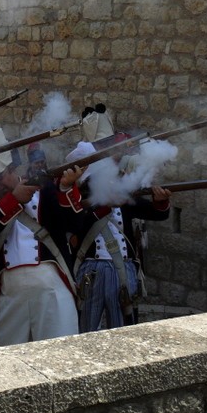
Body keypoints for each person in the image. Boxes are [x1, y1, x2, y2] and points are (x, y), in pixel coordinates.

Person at [0, 128, 81, 347]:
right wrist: (14, 199)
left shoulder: (47, 190)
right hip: (10, 292)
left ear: (13, 170)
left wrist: (66, 187)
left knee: (59, 356)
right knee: (6, 363)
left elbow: (74, 223)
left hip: (51, 287)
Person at [66, 139, 171, 332]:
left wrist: (160, 201)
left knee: (124, 330)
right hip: (92, 270)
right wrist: (106, 204)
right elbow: (76, 224)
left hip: (123, 267)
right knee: (86, 330)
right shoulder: (76, 199)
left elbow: (156, 213)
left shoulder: (120, 192)